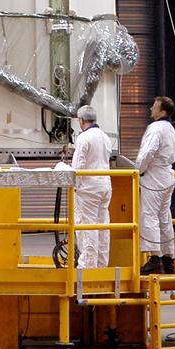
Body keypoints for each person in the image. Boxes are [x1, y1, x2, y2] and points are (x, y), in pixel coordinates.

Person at [135, 95, 175, 275]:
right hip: (167, 176)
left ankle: (154, 259)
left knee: (150, 216)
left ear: (162, 111)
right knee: (164, 217)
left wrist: (138, 170)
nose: (150, 109)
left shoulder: (155, 128)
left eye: (154, 106)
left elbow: (148, 152)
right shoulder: (171, 130)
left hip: (154, 177)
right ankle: (168, 259)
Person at [71, 105, 113, 270]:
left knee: (87, 227)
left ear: (81, 120)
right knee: (103, 226)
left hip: (88, 188)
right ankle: (102, 265)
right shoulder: (105, 137)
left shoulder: (84, 138)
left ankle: (87, 268)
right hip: (105, 186)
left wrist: (75, 187)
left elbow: (78, 166)